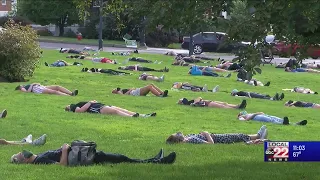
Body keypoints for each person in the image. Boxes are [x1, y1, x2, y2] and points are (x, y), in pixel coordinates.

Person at [10, 145, 176, 165]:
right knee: (121, 158)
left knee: (119, 158)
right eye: (21, 154)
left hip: (82, 154)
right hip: (83, 158)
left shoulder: (38, 155)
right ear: (24, 160)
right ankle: (157, 161)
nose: (23, 151)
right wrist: (66, 150)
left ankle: (155, 160)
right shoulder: (40, 161)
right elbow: (61, 166)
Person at [165, 125, 268, 145]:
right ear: (179, 139)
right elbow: (210, 144)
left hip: (216, 136)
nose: (179, 132)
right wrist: (206, 133)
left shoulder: (188, 138)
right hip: (218, 139)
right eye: (178, 134)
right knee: (238, 136)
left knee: (239, 136)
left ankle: (258, 137)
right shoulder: (191, 140)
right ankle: (259, 137)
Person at [65, 100, 157, 117]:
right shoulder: (74, 107)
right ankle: (131, 117)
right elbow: (79, 111)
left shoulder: (77, 104)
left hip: (100, 106)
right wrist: (90, 102)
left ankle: (143, 115)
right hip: (98, 109)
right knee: (116, 111)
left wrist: (91, 102)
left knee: (122, 109)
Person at [237, 111, 307, 125]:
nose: (242, 113)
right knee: (271, 120)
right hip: (256, 118)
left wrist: (259, 112)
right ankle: (283, 123)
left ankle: (296, 123)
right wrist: (255, 114)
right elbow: (246, 120)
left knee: (276, 118)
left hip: (260, 115)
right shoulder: (241, 117)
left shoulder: (247, 113)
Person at [177, 97, 247, 109]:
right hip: (208, 104)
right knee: (223, 106)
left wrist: (196, 102)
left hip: (208, 102)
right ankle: (236, 108)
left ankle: (237, 106)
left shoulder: (192, 102)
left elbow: (199, 98)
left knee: (225, 103)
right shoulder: (190, 104)